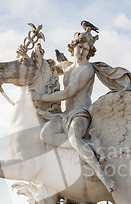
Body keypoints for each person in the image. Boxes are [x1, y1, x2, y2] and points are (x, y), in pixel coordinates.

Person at [30, 26, 116, 193]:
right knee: (45, 135)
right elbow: (43, 71)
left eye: (86, 49)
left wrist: (39, 97)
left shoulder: (87, 70)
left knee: (75, 139)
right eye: (79, 47)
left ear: (90, 52)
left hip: (80, 113)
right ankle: (90, 145)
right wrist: (31, 54)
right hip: (64, 115)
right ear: (73, 47)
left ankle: (102, 175)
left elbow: (68, 92)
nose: (82, 51)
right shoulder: (67, 68)